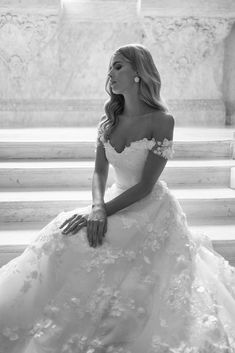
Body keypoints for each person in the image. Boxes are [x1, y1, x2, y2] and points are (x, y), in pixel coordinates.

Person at [0, 43, 235, 353]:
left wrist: (103, 213)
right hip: (110, 200)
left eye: (118, 66)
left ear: (139, 73)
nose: (110, 72)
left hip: (149, 207)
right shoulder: (110, 117)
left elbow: (146, 186)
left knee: (103, 248)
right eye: (110, 67)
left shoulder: (162, 120)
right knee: (62, 234)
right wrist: (97, 208)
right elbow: (99, 172)